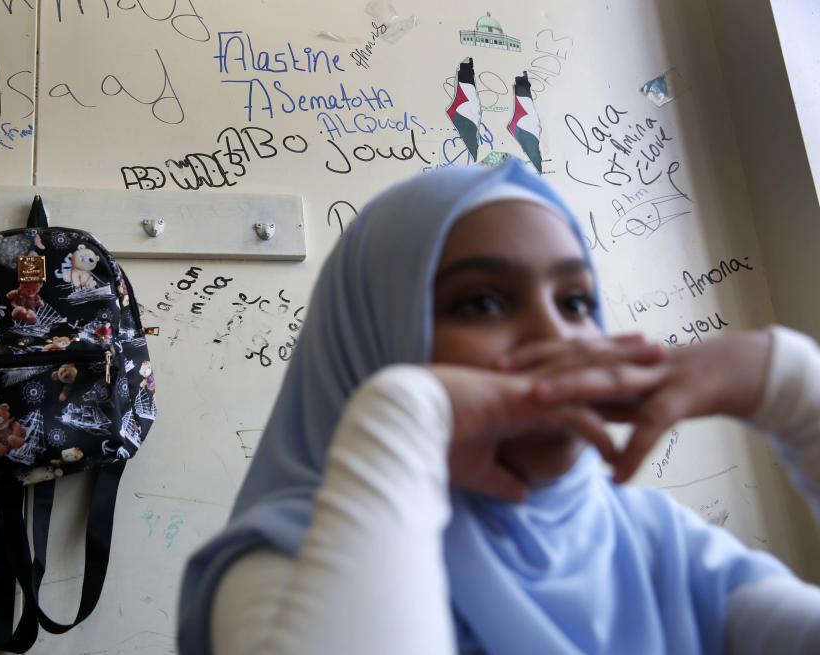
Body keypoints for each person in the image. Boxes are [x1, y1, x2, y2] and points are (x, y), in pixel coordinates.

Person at [178, 160, 820, 654]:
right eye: (482, 303)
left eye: (575, 303)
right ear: (374, 338)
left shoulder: (651, 539)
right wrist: (404, 416)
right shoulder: (287, 565)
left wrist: (793, 387)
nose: (557, 337)